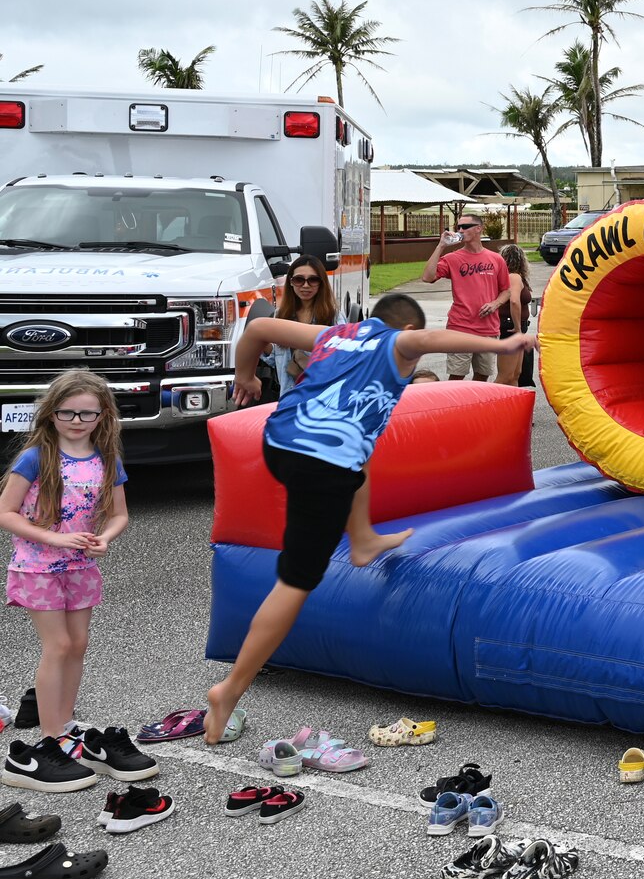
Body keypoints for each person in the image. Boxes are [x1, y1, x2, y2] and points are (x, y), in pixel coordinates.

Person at [203, 293, 536, 743]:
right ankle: (230, 689)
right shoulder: (399, 344)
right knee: (297, 581)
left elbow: (259, 330)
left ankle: (362, 539)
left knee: (361, 451)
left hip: (278, 439)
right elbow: (433, 337)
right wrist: (503, 345)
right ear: (404, 332)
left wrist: (246, 376)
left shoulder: (335, 335)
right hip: (320, 459)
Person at [0, 370, 139, 791]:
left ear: (103, 414)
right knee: (58, 645)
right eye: (67, 412)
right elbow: (5, 513)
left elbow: (119, 515)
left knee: (78, 645)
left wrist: (105, 540)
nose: (77, 421)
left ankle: (65, 726)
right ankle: (48, 739)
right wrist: (54, 538)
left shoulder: (107, 460)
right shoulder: (35, 458)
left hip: (81, 567)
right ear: (51, 412)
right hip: (37, 566)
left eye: (87, 413)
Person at [422, 212, 508, 382]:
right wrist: (440, 246)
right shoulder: (453, 258)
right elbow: (427, 277)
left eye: (465, 226)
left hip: (488, 328)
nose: (460, 230)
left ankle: (473, 408)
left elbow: (506, 290)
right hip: (460, 327)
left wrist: (495, 304)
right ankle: (454, 408)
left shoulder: (496, 259)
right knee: (456, 377)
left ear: (478, 229)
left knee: (482, 376)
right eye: (458, 227)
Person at [268, 255, 337, 397]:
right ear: (291, 282)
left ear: (321, 283)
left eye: (313, 280)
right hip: (288, 398)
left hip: (322, 399)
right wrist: (261, 338)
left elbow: (343, 358)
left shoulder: (333, 316)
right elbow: (274, 359)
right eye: (299, 279)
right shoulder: (280, 315)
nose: (305, 285)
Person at [482, 244, 533, 387]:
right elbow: (514, 301)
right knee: (505, 376)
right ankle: (486, 405)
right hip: (511, 326)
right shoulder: (514, 277)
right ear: (521, 260)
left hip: (516, 326)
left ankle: (512, 407)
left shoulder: (514, 277)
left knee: (516, 374)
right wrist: (517, 328)